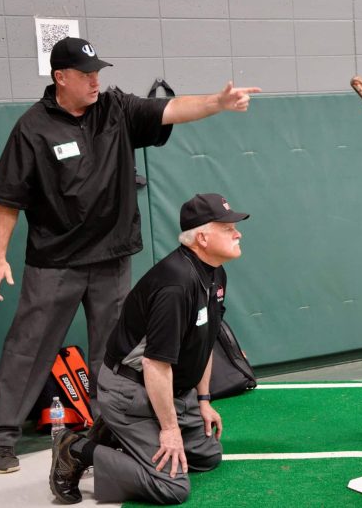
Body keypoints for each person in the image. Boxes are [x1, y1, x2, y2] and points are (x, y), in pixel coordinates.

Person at [0, 36, 261, 474]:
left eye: (98, 73)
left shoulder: (116, 109)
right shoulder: (32, 128)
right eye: (86, 75)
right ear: (60, 77)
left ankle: (105, 436)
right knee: (29, 348)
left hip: (112, 259)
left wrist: (218, 103)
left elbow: (172, 110)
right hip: (54, 263)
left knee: (113, 356)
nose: (96, 81)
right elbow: (7, 200)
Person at [48, 193, 248, 505]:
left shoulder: (214, 272)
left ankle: (116, 433)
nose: (238, 233)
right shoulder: (175, 285)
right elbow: (155, 365)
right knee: (172, 488)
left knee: (207, 456)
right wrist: (169, 430)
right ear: (203, 237)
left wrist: (205, 399)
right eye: (228, 228)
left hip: (173, 390)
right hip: (132, 390)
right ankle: (74, 448)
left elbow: (205, 342)